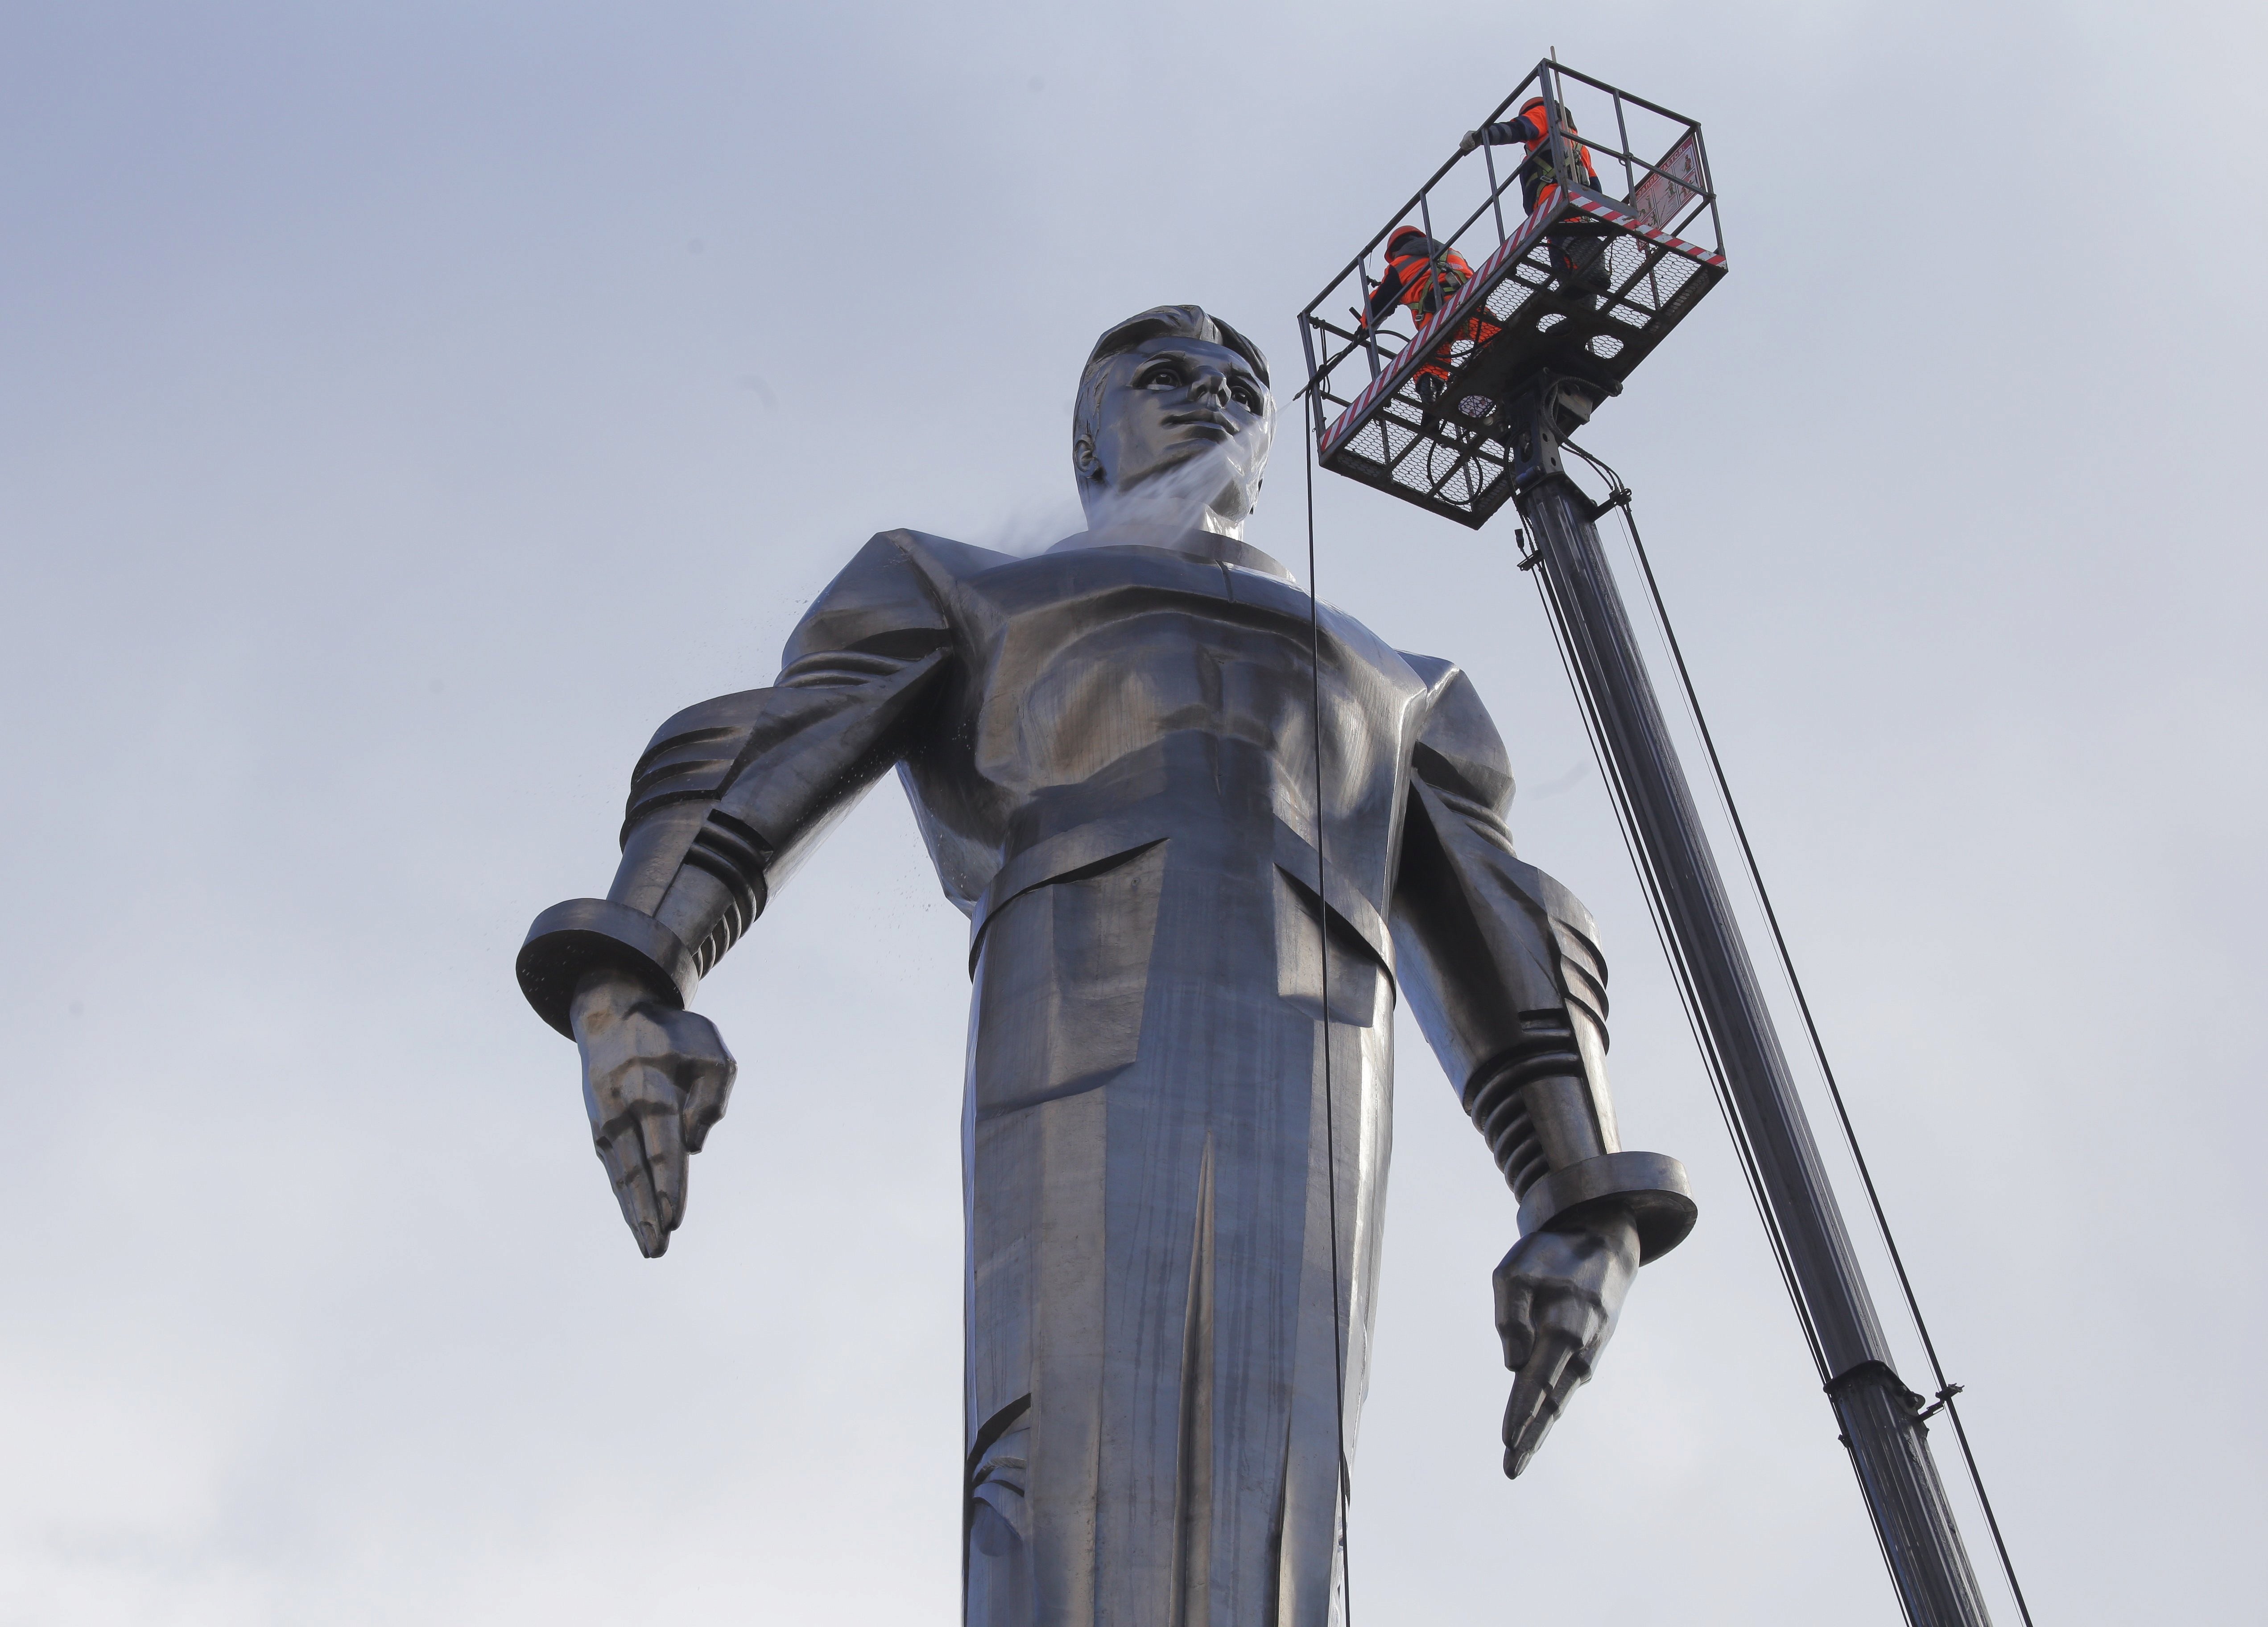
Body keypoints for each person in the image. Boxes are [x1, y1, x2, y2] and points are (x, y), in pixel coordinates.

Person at [516, 305, 1692, 1627]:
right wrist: (632, 973)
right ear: (1092, 441)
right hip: (1071, 1036)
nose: (1212, 398)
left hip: (1318, 1068)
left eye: (1244, 387)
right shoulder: (973, 592)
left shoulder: (1399, 686)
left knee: (1285, 1489)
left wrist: (1580, 1193)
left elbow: (1510, 920)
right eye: (1166, 377)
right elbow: (769, 744)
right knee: (1059, 1467)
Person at [1460, 95, 1611, 294]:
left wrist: (1482, 136)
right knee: (1571, 262)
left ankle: (1584, 292)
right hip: (1569, 210)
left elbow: (1519, 129)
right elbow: (1595, 186)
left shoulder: (1544, 113)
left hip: (1555, 202)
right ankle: (1582, 305)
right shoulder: (1577, 143)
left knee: (1571, 251)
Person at [1359, 225, 1503, 406]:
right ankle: (1499, 345)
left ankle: (1430, 385)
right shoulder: (1452, 252)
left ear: (1395, 251)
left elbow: (1380, 304)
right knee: (1491, 331)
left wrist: (1364, 325)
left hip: (1433, 315)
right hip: (1467, 301)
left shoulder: (1399, 265)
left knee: (1432, 353)